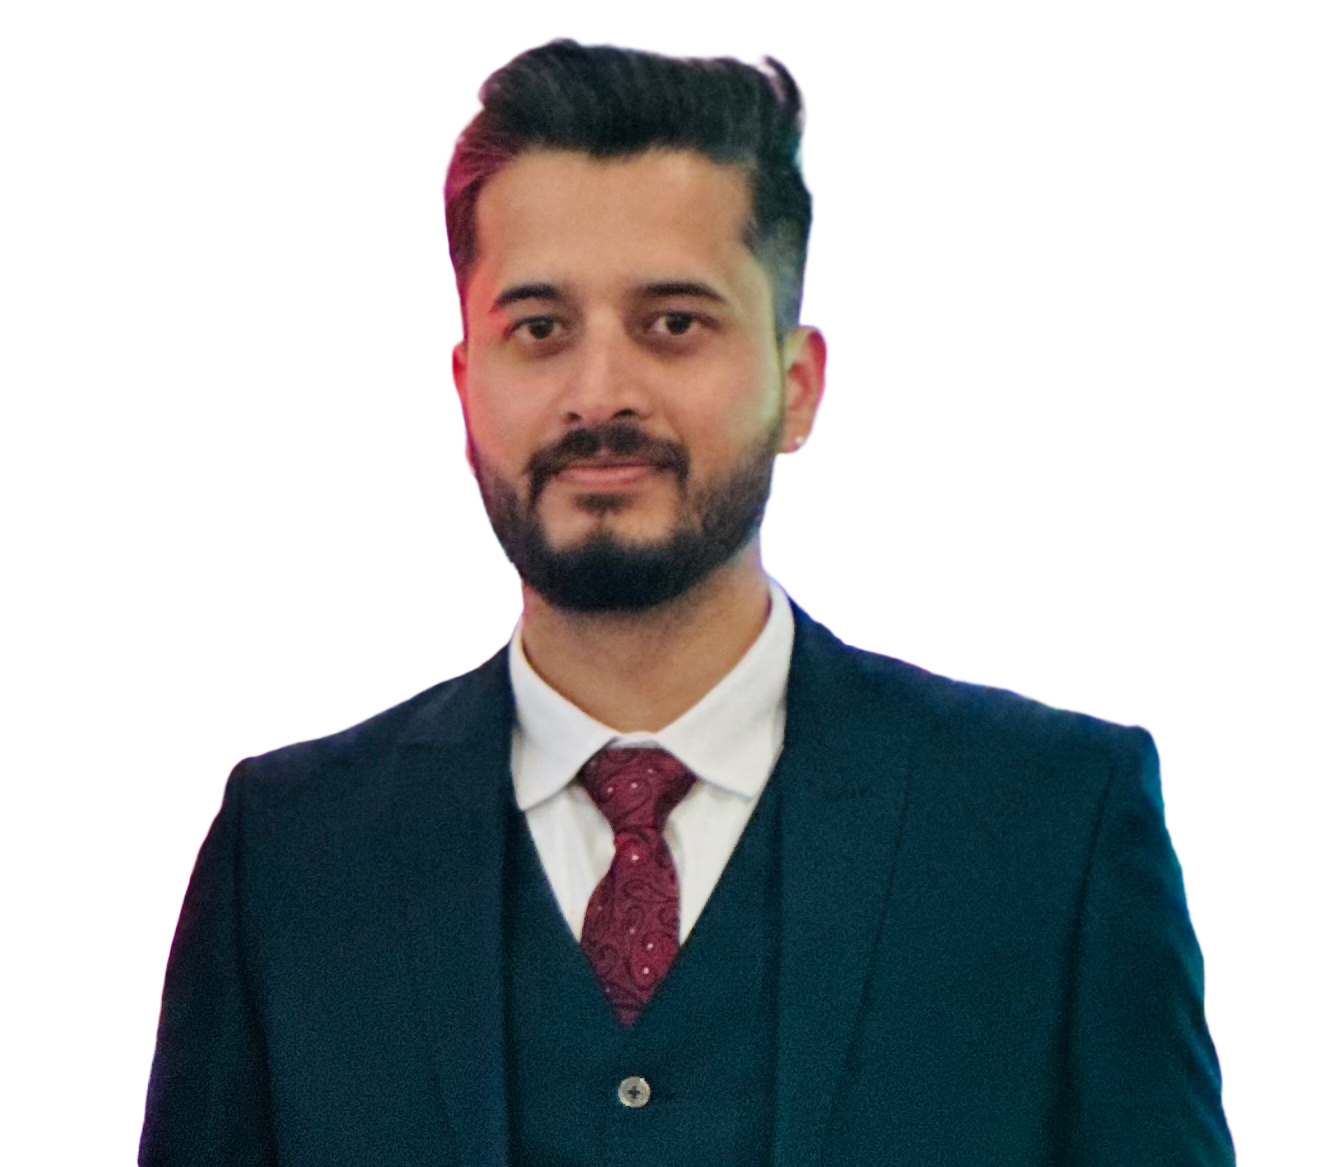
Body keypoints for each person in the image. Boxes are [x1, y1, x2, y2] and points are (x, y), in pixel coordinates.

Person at [139, 39, 1234, 1166]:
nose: (600, 393)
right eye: (539, 329)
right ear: (467, 388)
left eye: (672, 323)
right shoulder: (290, 859)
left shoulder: (1051, 828)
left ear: (796, 387)